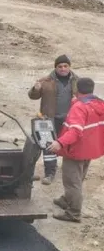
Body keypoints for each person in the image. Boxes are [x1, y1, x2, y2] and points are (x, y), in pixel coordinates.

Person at [47, 78, 104, 223]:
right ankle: (66, 199)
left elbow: (76, 132)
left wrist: (59, 143)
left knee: (73, 182)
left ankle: (74, 213)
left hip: (76, 151)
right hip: (90, 149)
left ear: (77, 89)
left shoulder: (79, 107)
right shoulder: (98, 103)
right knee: (79, 177)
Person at [28, 55, 79, 184]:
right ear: (55, 67)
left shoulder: (77, 81)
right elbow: (32, 96)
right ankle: (50, 173)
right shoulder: (46, 81)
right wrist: (36, 89)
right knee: (48, 146)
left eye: (65, 66)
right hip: (48, 119)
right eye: (60, 66)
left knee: (70, 145)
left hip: (69, 120)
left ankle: (73, 173)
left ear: (69, 66)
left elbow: (86, 97)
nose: (63, 69)